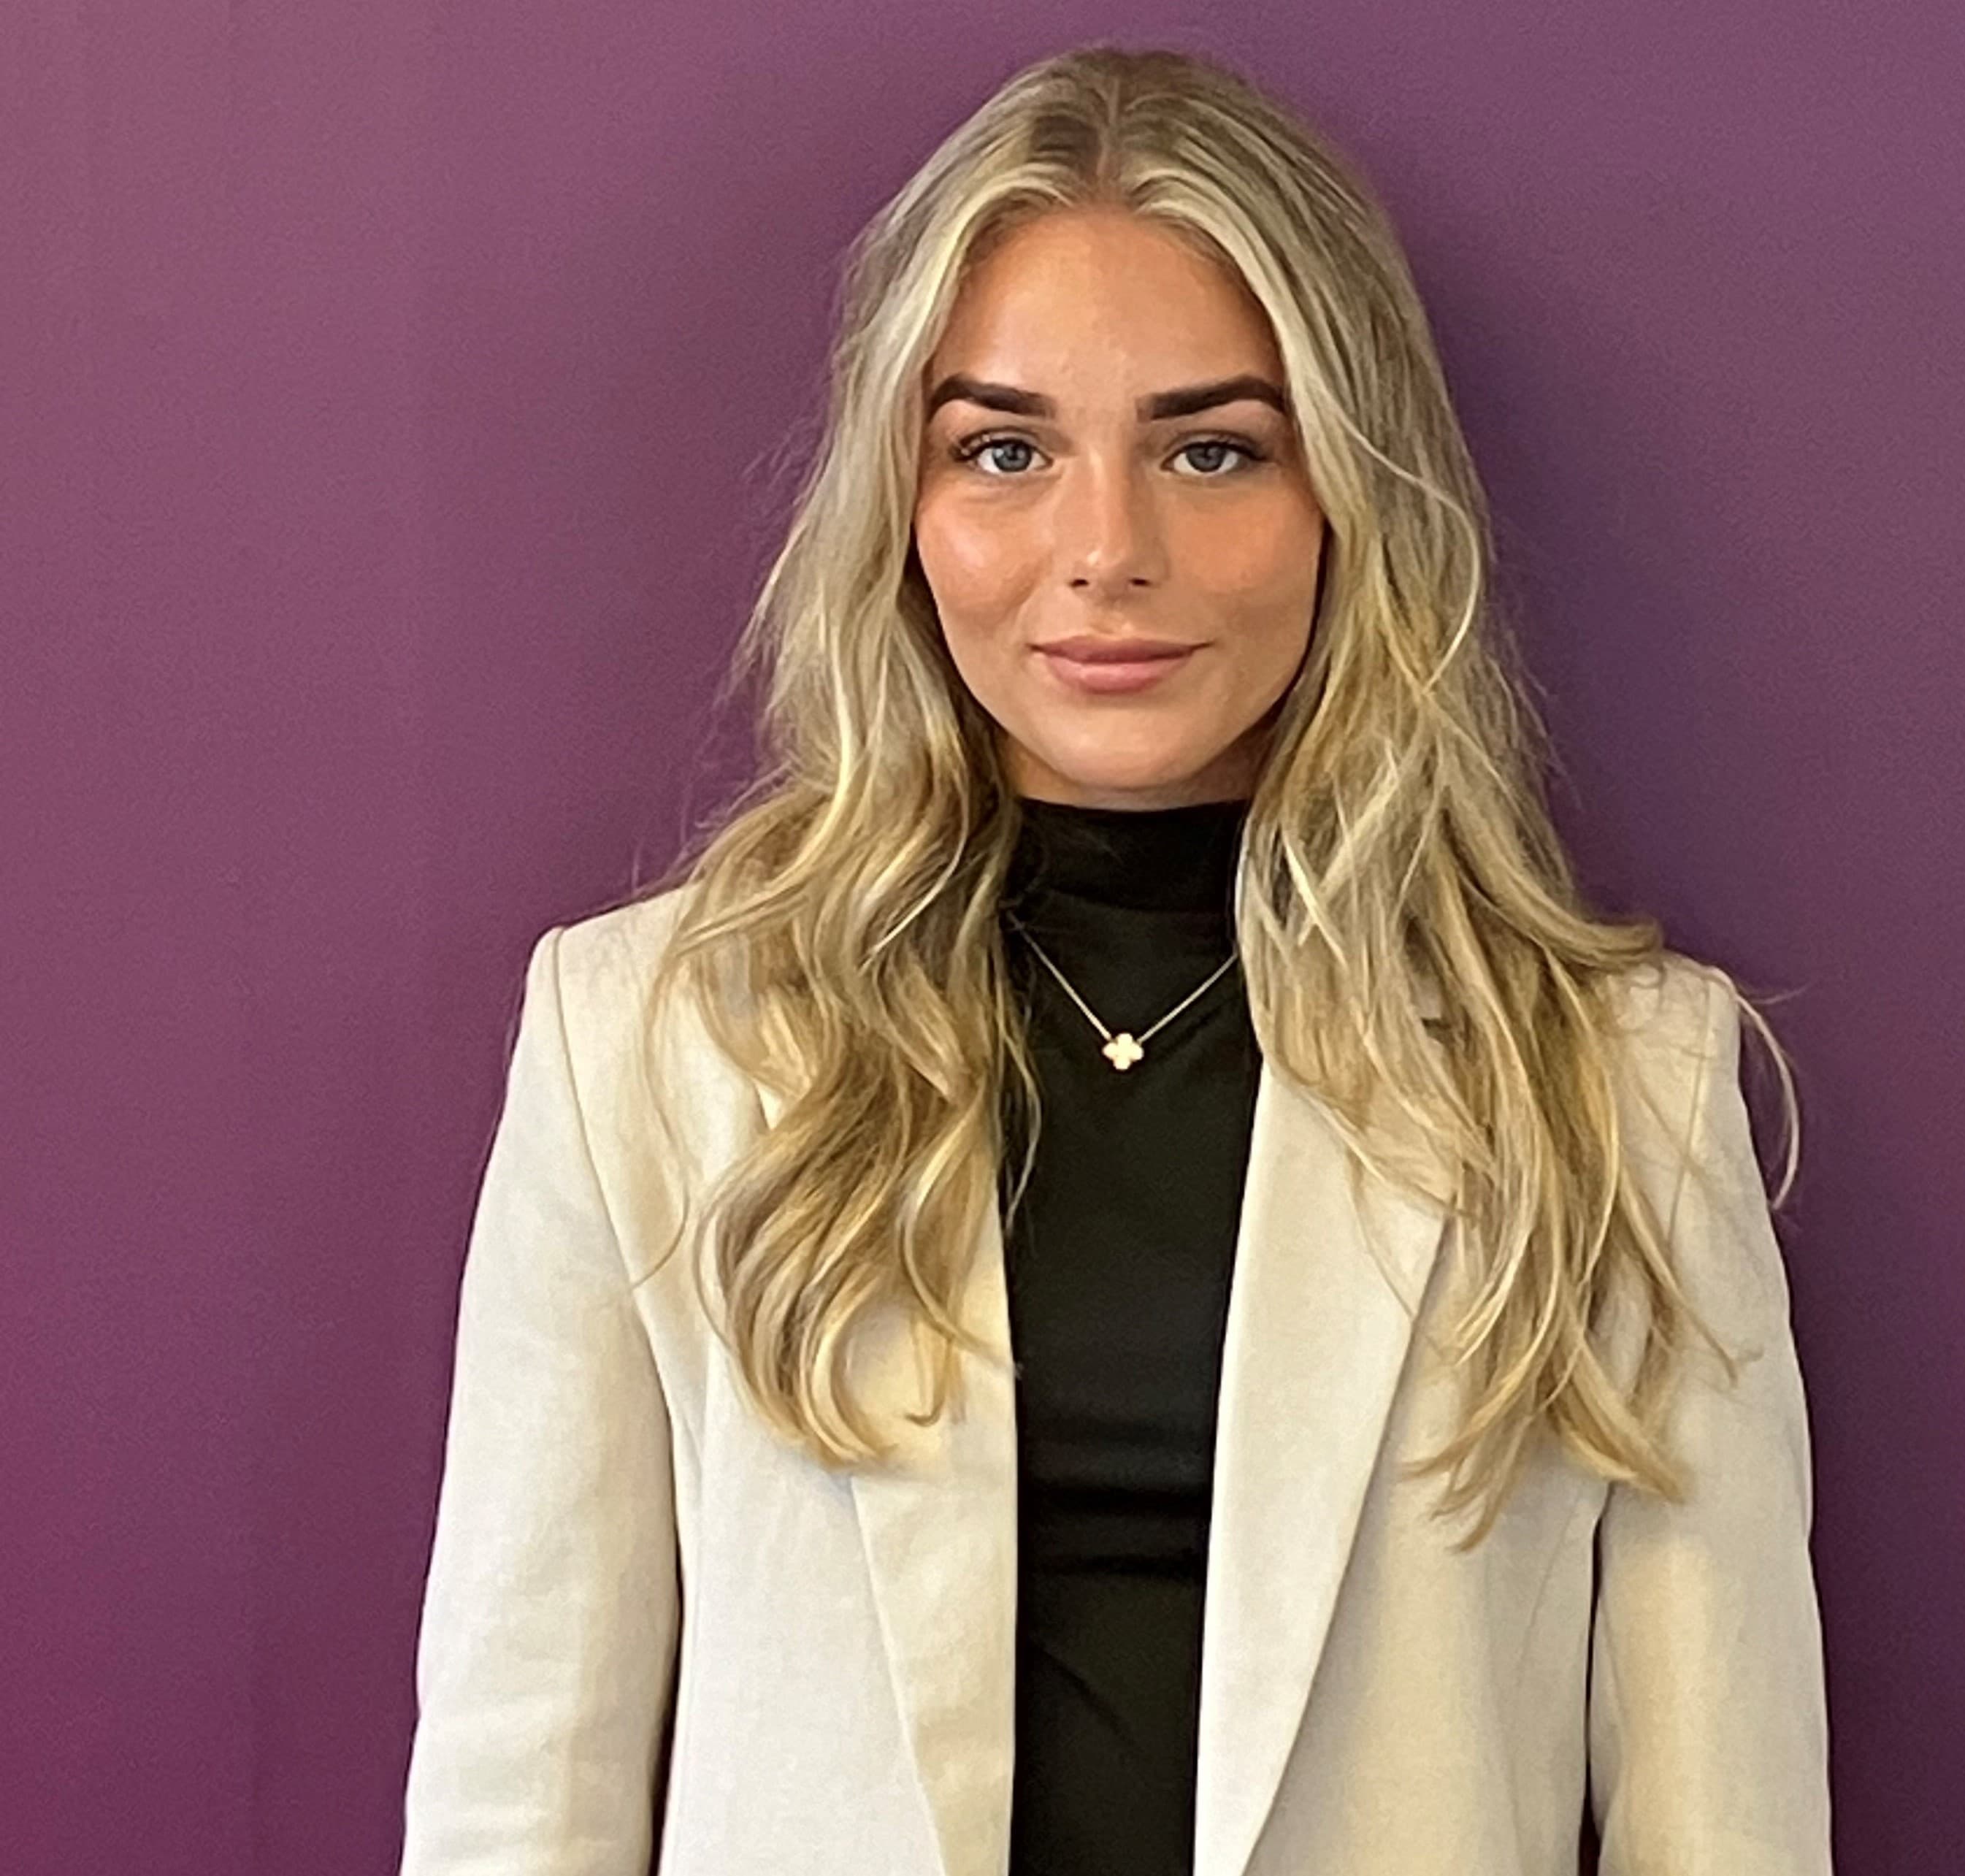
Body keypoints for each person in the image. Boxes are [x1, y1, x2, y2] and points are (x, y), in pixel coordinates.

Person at [397, 40, 1830, 1876]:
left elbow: (1731, 1833)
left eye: (1211, 448)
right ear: (906, 516)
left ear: (1350, 501)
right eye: (1005, 450)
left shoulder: (1617, 1082)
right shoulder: (647, 1048)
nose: (1103, 551)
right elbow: (526, 1786)